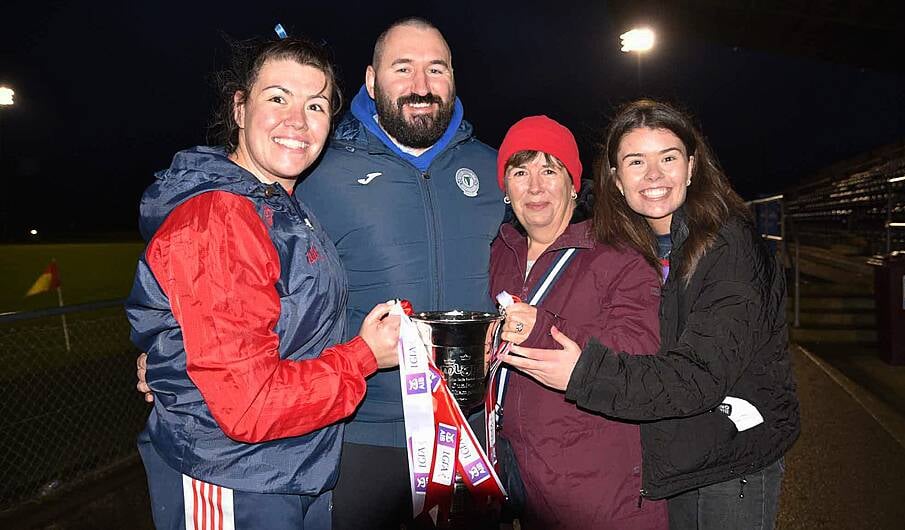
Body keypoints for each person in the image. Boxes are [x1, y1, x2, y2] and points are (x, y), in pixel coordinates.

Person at [126, 35, 401, 530]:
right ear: (239, 108)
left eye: (315, 105)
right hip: (233, 474)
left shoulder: (280, 207)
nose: (296, 121)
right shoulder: (221, 217)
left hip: (289, 468)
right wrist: (364, 357)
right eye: (277, 97)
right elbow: (249, 404)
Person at [503, 99, 800, 530]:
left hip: (732, 460)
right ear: (616, 179)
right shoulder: (634, 245)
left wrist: (583, 374)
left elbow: (699, 374)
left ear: (692, 166)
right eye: (636, 161)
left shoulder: (728, 245)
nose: (654, 175)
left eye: (668, 158)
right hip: (679, 455)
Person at [293, 17, 505, 529]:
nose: (420, 86)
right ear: (370, 81)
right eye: (402, 68)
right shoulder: (319, 173)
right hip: (364, 435)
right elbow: (264, 279)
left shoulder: (496, 169)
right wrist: (175, 345)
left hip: (471, 432)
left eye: (436, 69)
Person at [490, 115, 669, 529]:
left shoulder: (615, 253)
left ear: (574, 185)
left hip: (595, 486)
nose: (534, 186)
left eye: (549, 170)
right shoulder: (502, 252)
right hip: (514, 466)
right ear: (506, 188)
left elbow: (641, 348)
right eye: (520, 171)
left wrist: (541, 329)